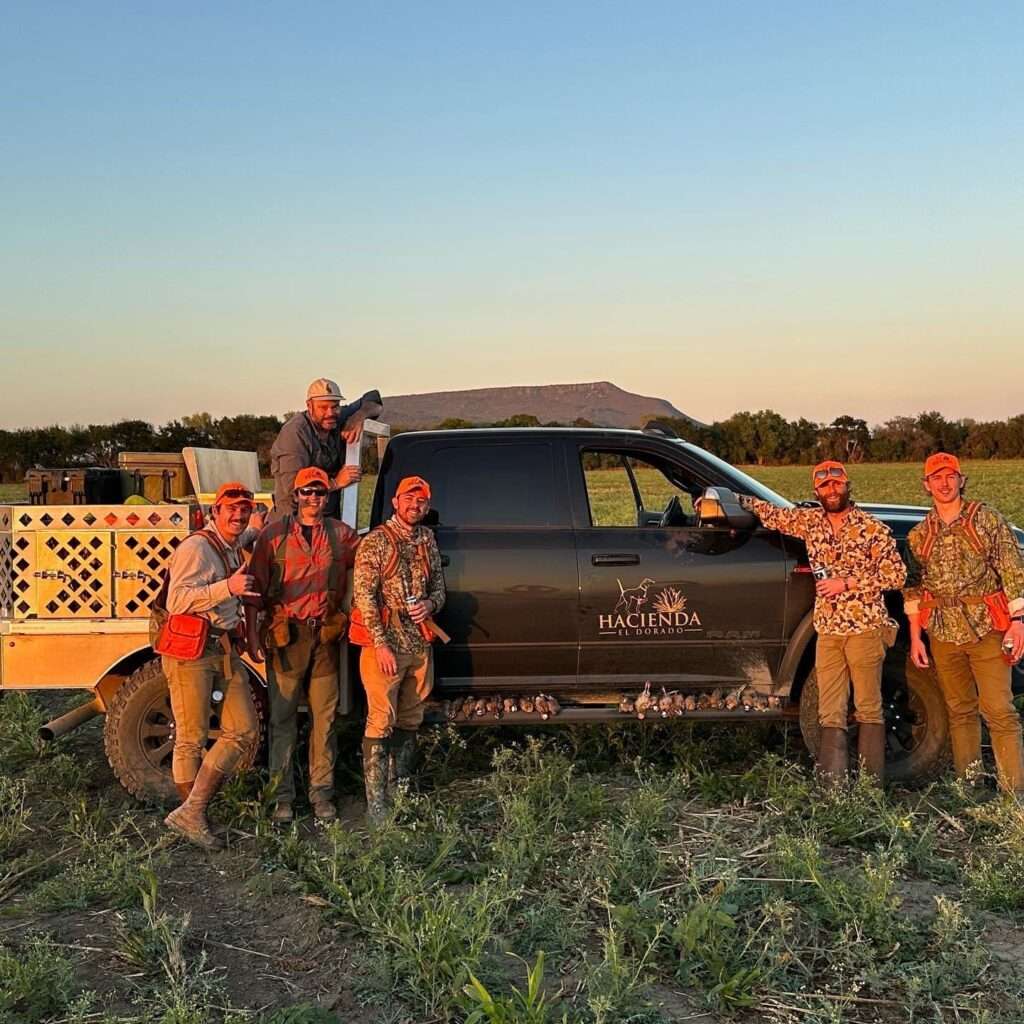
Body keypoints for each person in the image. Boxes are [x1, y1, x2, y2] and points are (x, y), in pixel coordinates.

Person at [738, 461, 906, 785]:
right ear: (817, 491)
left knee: (869, 708)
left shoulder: (872, 528)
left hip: (865, 629)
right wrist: (736, 499)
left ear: (847, 485)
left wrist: (847, 583)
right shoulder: (810, 522)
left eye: (837, 483)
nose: (832, 489)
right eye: (825, 485)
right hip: (828, 631)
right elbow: (773, 514)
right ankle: (834, 790)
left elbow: (896, 574)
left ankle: (871, 790)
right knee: (831, 711)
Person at [903, 452, 1024, 793]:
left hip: (988, 628)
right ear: (927, 485)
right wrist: (916, 637)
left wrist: (1019, 621)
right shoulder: (919, 535)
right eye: (936, 478)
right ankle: (969, 788)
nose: (944, 483)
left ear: (961, 480)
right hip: (943, 632)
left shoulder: (986, 520)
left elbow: (1013, 570)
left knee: (1000, 711)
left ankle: (1014, 795)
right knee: (959, 711)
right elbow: (914, 589)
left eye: (950, 476)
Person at [246, 467, 359, 822]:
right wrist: (253, 633)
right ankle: (282, 796)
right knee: (283, 720)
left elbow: (365, 568)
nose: (313, 498)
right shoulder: (273, 536)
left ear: (328, 497)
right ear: (294, 496)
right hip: (287, 638)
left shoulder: (342, 535)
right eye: (307, 492)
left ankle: (321, 793)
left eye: (320, 493)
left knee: (324, 719)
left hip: (325, 637)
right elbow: (254, 589)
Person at [162, 482, 261, 850]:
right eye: (231, 509)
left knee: (245, 729)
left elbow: (250, 530)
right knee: (191, 737)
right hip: (192, 651)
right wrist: (229, 588)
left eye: (245, 508)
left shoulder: (231, 542)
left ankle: (191, 811)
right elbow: (177, 601)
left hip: (221, 648)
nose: (238, 515)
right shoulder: (196, 547)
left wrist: (263, 523)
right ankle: (193, 814)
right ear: (213, 513)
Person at [352, 475, 446, 820]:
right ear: (395, 501)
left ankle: (401, 791)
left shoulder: (426, 539)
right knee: (380, 720)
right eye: (409, 499)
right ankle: (376, 805)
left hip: (420, 643)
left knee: (411, 717)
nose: (414, 506)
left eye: (421, 501)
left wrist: (430, 605)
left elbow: (439, 587)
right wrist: (380, 644)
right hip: (386, 645)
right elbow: (364, 597)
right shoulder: (376, 542)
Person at [268, 378, 383, 523]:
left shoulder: (336, 418)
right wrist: (335, 483)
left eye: (335, 406)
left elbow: (374, 399)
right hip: (294, 522)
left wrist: (359, 417)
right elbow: (293, 485)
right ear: (309, 406)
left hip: (327, 521)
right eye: (323, 407)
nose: (330, 412)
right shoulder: (294, 432)